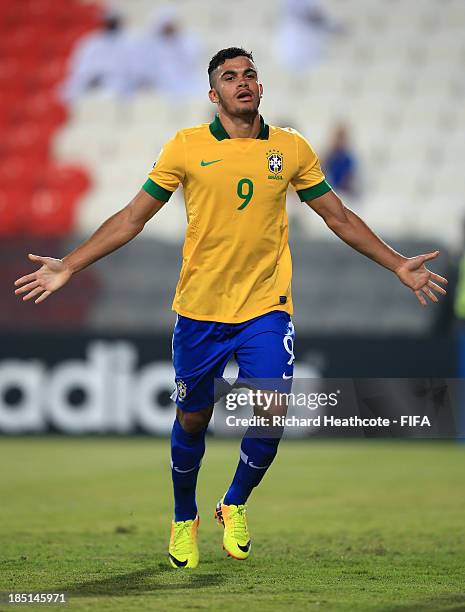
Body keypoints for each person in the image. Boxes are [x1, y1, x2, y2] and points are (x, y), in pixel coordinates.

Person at [14, 47, 448, 569]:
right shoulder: (186, 147)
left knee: (272, 411)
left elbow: (340, 217)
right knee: (193, 417)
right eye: (229, 77)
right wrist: (70, 265)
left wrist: (397, 263)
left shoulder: (290, 149)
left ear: (260, 88)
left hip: (267, 307)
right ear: (213, 94)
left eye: (250, 75)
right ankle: (183, 518)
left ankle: (234, 503)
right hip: (200, 311)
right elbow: (132, 217)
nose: (242, 82)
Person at [60, 8, 133, 102]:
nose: (111, 24)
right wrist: (91, 77)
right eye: (109, 22)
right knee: (72, 90)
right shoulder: (90, 41)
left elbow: (131, 69)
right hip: (92, 82)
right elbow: (80, 67)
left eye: (114, 21)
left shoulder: (130, 42)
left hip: (119, 83)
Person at [323, 124, 358, 198]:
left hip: (345, 196)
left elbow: (351, 179)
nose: (340, 141)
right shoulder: (328, 156)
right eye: (338, 137)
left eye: (342, 138)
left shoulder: (349, 159)